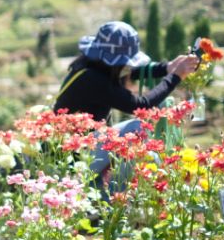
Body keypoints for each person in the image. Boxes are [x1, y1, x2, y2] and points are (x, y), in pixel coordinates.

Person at [54, 20, 199, 191]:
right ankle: (113, 196)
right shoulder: (93, 80)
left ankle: (106, 189)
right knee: (137, 129)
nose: (127, 66)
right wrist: (175, 76)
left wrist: (167, 68)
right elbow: (141, 106)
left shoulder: (91, 66)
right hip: (74, 159)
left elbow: (132, 72)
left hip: (83, 148)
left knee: (142, 145)